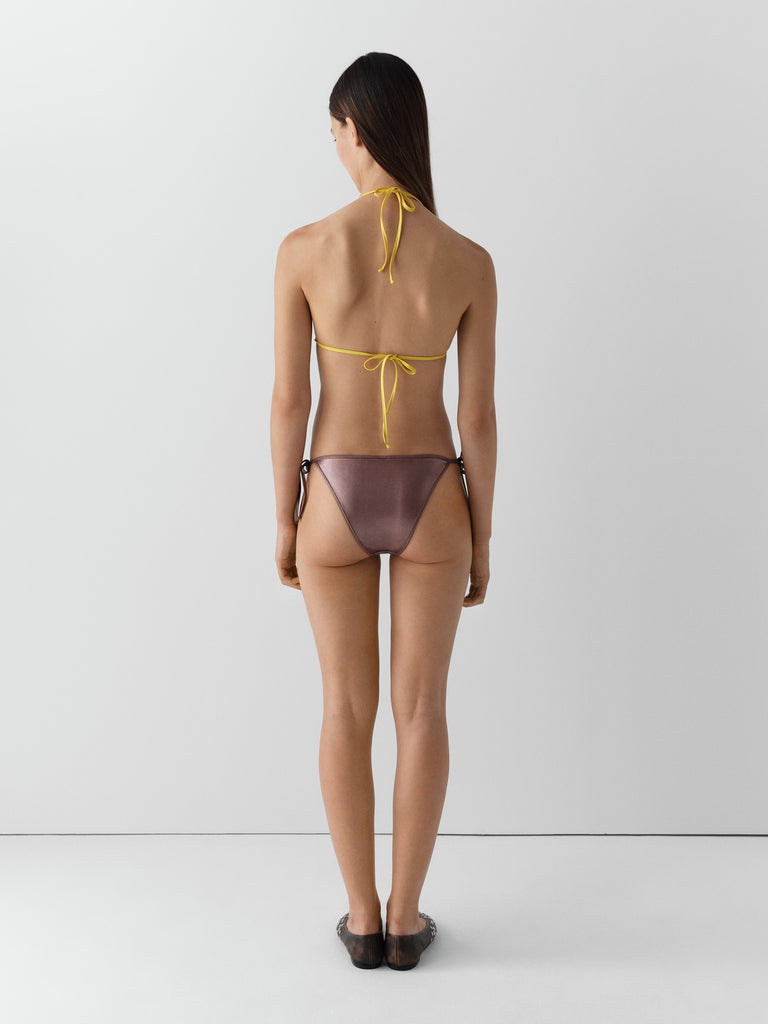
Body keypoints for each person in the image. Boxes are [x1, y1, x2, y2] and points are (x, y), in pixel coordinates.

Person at [270, 52, 497, 970]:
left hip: (333, 494)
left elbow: (290, 402)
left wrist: (282, 518)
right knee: (421, 710)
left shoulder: (304, 249)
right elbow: (477, 418)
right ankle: (407, 920)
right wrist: (486, 535)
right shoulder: (469, 261)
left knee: (343, 707)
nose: (334, 146)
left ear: (357, 129)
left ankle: (361, 919)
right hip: (436, 496)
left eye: (335, 130)